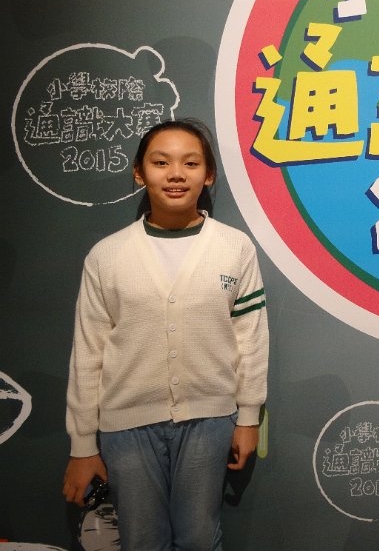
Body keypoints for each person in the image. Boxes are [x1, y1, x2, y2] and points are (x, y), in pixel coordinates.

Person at [62, 119, 269, 551]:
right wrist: (82, 445)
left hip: (210, 420)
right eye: (161, 163)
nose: (176, 174)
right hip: (126, 424)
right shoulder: (107, 256)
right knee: (141, 541)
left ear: (208, 175)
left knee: (199, 537)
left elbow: (250, 339)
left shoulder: (235, 248)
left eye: (190, 163)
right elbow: (88, 354)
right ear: (139, 173)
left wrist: (248, 417)